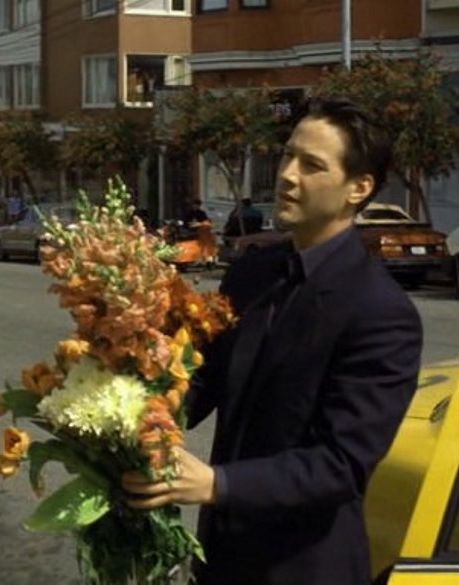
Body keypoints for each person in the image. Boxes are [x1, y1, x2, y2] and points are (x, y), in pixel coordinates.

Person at [122, 98, 423, 584]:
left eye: (312, 166)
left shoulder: (380, 313)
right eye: (287, 155)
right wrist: (123, 404)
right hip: (221, 559)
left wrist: (217, 484)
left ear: (359, 188)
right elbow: (200, 381)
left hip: (304, 567)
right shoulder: (252, 273)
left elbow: (342, 464)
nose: (287, 175)